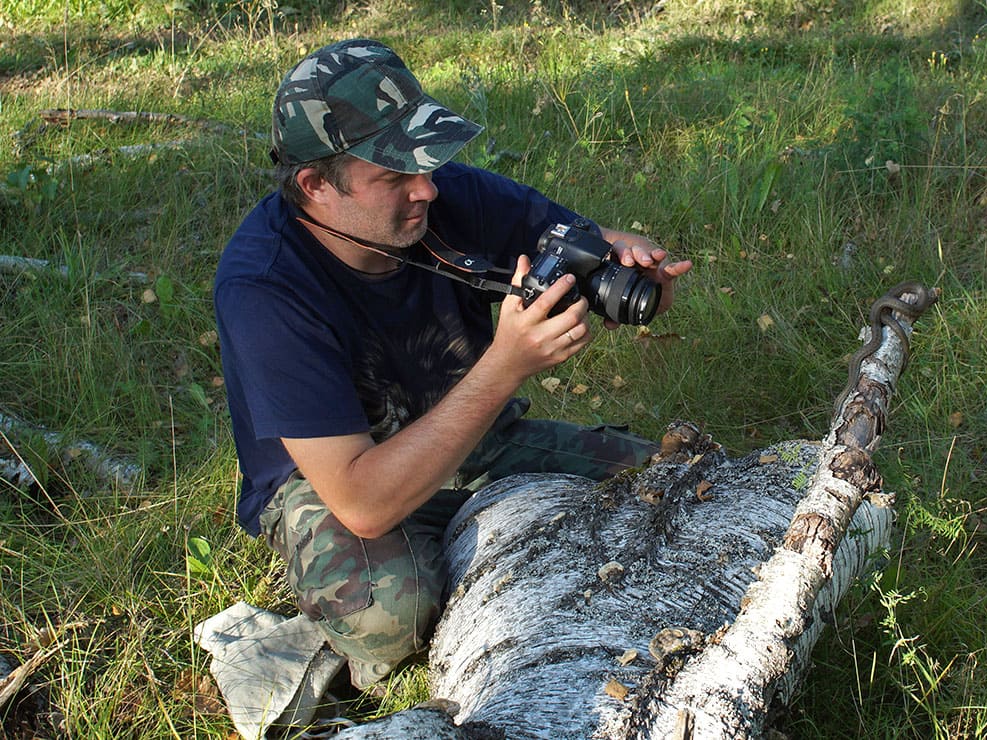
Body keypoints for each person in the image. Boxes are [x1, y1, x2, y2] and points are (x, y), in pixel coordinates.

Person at [213, 38, 692, 692]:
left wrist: (634, 269)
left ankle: (473, 541)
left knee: (671, 487)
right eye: (394, 175)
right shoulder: (266, 288)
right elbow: (360, 502)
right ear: (315, 185)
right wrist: (505, 367)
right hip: (330, 483)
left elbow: (591, 244)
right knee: (391, 615)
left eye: (426, 160)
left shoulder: (447, 199)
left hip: (472, 439)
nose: (427, 188)